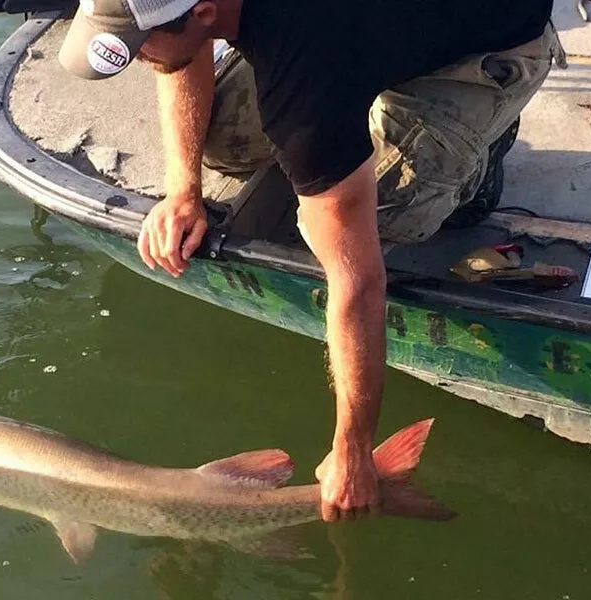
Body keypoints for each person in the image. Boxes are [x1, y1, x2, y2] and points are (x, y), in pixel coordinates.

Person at [57, 0, 559, 521]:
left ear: (205, 11)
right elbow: (179, 54)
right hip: (369, 29)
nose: (139, 60)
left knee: (374, 213)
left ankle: (481, 157)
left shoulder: (304, 74)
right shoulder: (221, 21)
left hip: (493, 41)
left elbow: (358, 280)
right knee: (217, 135)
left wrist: (354, 450)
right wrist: (184, 190)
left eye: (143, 45)